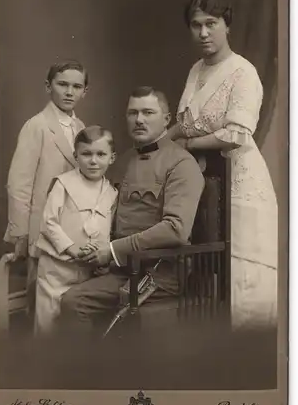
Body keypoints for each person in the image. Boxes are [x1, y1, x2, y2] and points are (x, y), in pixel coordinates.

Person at [167, 0, 278, 329]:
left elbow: (237, 134)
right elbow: (186, 123)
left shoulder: (243, 72)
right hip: (204, 179)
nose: (203, 33)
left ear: (227, 25)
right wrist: (160, 140)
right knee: (205, 268)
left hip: (237, 176)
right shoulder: (196, 69)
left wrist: (184, 143)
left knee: (241, 273)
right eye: (196, 25)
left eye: (211, 24)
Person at [60, 86, 204, 331]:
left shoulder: (181, 164)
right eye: (132, 113)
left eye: (148, 112)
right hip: (120, 269)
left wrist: (114, 250)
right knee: (65, 294)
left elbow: (176, 229)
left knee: (75, 302)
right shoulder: (123, 160)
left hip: (159, 274)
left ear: (166, 120)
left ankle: (84, 368)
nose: (139, 120)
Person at [4, 60, 87, 311]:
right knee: (39, 299)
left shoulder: (82, 128)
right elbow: (19, 184)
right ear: (48, 86)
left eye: (76, 86)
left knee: (67, 298)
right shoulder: (37, 126)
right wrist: (20, 234)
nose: (69, 92)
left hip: (71, 228)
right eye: (62, 84)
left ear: (85, 91)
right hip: (41, 228)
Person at [34, 126, 118, 334]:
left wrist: (99, 252)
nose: (93, 161)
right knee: (49, 322)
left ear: (112, 158)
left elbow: (108, 229)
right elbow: (48, 222)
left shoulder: (112, 192)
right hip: (57, 269)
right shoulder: (63, 184)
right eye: (86, 154)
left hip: (88, 270)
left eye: (100, 154)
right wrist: (71, 248)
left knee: (75, 322)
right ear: (75, 156)